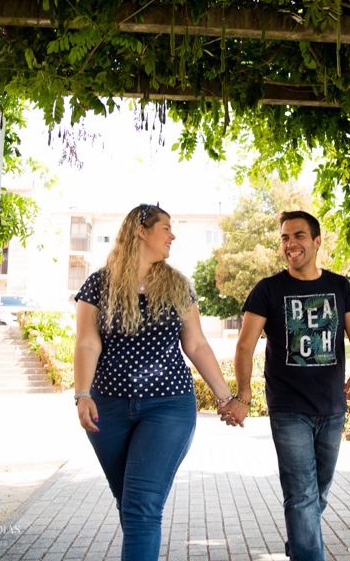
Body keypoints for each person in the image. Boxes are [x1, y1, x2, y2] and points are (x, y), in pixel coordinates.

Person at [73, 204, 240, 561]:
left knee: (141, 506)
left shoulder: (177, 285)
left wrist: (226, 398)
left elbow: (196, 345)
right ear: (141, 230)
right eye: (166, 228)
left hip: (168, 407)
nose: (172, 236)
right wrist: (82, 393)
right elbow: (87, 342)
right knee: (130, 503)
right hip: (108, 409)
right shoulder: (98, 284)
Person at [221, 210, 350, 561]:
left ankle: (299, 544)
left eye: (298, 236)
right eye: (285, 238)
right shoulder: (268, 289)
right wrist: (244, 394)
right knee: (301, 495)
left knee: (317, 494)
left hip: (332, 406)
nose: (290, 244)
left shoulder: (340, 287)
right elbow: (244, 346)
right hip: (288, 408)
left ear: (317, 242)